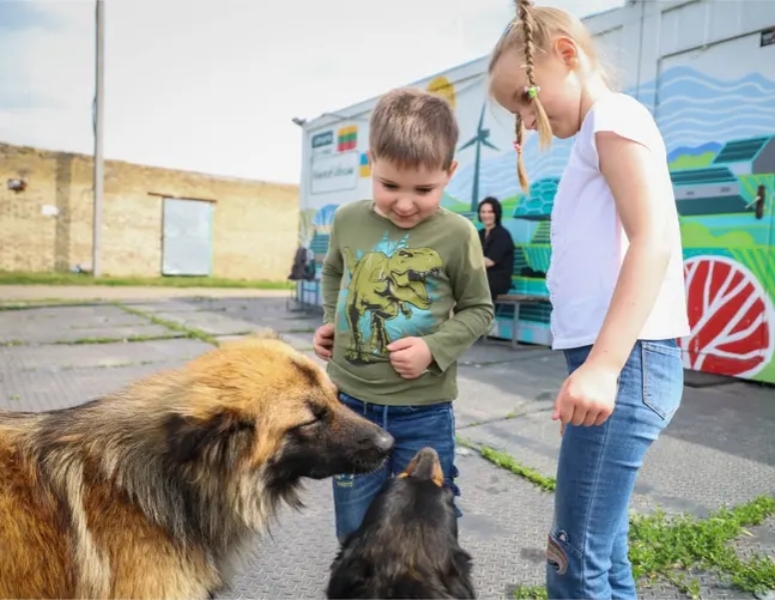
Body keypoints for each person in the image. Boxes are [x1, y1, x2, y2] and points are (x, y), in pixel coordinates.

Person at [487, 1, 690, 599]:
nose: (526, 121)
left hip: (625, 364)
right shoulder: (597, 135)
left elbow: (652, 240)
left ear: (567, 56)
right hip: (615, 365)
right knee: (603, 557)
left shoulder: (613, 118)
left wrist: (601, 369)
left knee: (573, 562)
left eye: (525, 98)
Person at [312, 87, 494, 543]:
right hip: (350, 406)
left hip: (424, 412)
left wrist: (434, 348)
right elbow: (335, 270)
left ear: (450, 173)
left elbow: (479, 309)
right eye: (390, 186)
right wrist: (334, 320)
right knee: (354, 526)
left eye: (425, 190)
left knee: (430, 527)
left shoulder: (458, 233)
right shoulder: (348, 220)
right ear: (372, 162)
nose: (406, 203)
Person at [477, 196, 515, 302]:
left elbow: (488, 262)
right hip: (481, 278)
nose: (486, 215)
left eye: (490, 212)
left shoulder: (502, 235)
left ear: (496, 214)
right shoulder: (479, 234)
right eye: (483, 212)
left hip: (497, 280)